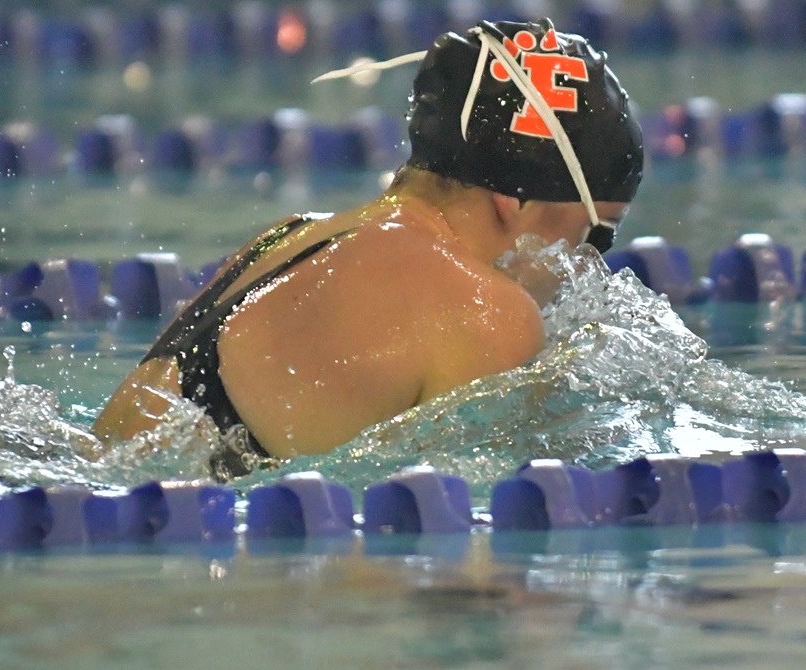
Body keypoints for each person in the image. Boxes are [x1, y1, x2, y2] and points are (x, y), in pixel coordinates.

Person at [92, 17, 643, 476]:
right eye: (597, 233)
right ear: (513, 198)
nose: (588, 264)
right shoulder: (484, 310)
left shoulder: (290, 235)